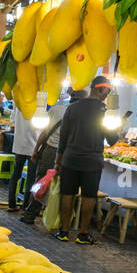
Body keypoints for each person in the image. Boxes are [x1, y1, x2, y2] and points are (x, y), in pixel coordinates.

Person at [54, 75, 121, 244]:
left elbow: (63, 136)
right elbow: (112, 140)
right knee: (89, 197)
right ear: (100, 88)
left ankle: (64, 231)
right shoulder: (105, 112)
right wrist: (118, 127)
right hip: (92, 161)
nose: (108, 93)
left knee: (67, 194)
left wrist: (58, 160)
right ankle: (83, 234)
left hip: (70, 158)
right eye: (108, 90)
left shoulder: (72, 108)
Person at [20, 90, 81, 225]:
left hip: (50, 150)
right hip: (68, 153)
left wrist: (36, 150)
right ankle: (59, 220)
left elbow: (44, 132)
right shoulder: (82, 115)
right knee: (64, 186)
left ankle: (30, 213)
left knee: (41, 181)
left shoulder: (56, 110)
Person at [8, 102, 41, 212]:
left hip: (19, 145)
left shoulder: (18, 102)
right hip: (34, 147)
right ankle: (26, 206)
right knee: (31, 178)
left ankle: (11, 204)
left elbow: (12, 120)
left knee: (15, 174)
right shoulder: (39, 105)